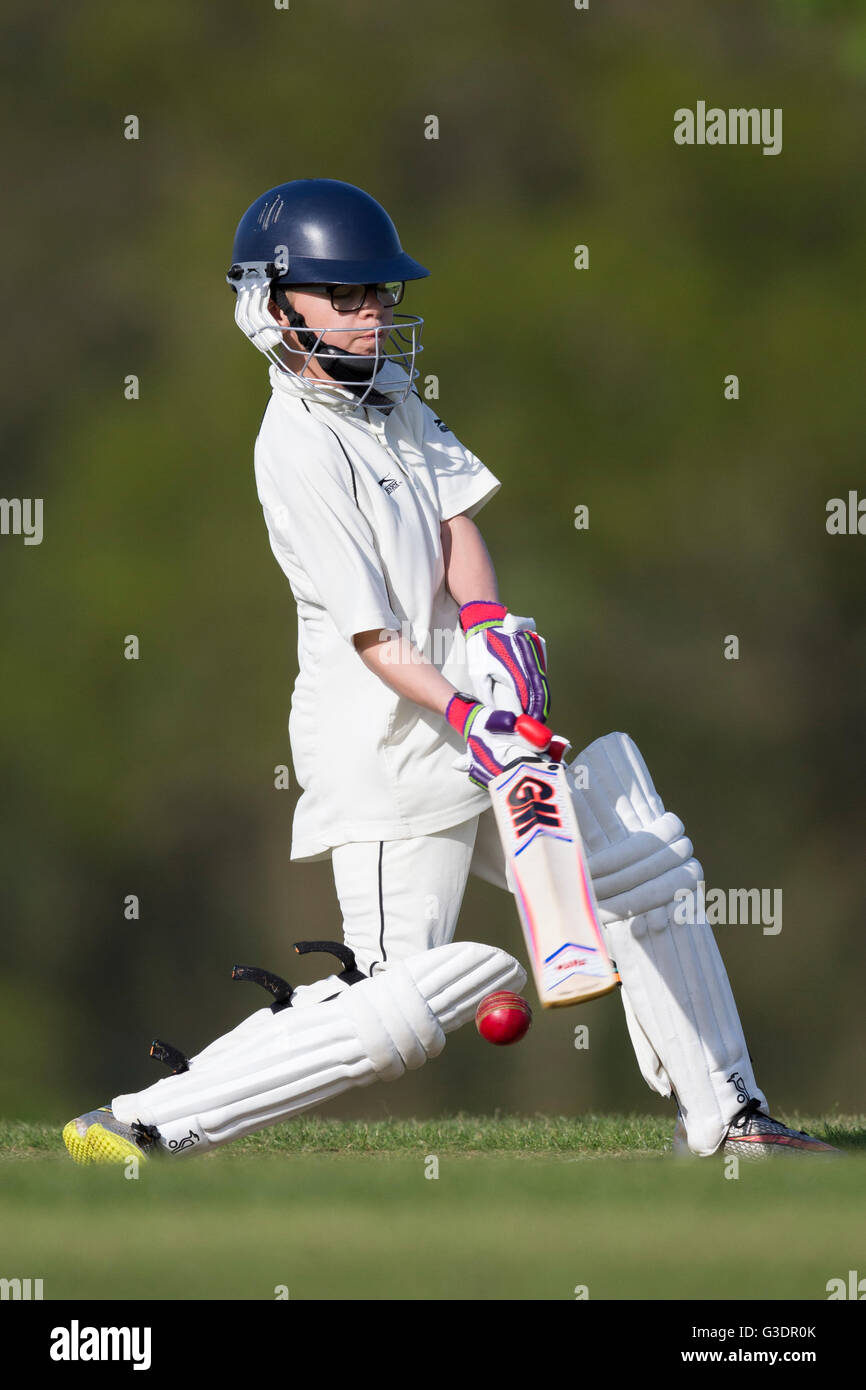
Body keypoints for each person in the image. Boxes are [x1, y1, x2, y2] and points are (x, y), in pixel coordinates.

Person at [63, 179, 836, 1164]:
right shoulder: (294, 449)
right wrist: (470, 712)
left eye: (378, 293)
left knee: (637, 861)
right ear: (274, 305)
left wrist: (489, 633)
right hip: (389, 751)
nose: (374, 312)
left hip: (476, 719)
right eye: (348, 297)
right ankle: (143, 1122)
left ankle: (728, 1119)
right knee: (399, 1003)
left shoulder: (387, 395)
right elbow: (373, 637)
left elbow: (452, 523)